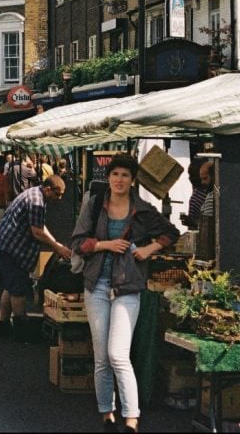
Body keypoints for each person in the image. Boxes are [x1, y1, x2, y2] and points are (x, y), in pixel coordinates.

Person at [70, 153, 179, 434]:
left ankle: (131, 419)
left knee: (118, 354)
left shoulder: (142, 210)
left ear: (133, 181)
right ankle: (107, 413)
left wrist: (148, 249)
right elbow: (78, 243)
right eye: (115, 174)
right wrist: (106, 244)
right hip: (96, 284)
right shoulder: (95, 206)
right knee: (101, 357)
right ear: (109, 177)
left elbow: (171, 233)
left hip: (128, 286)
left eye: (125, 176)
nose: (119, 180)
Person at [0, 176, 72, 340]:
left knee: (11, 286)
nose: (59, 198)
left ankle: (4, 326)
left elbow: (40, 226)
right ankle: (21, 329)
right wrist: (57, 247)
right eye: (58, 194)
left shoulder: (35, 195)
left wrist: (57, 244)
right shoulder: (36, 200)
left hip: (8, 246)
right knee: (18, 289)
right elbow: (37, 232)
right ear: (48, 189)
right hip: (12, 248)